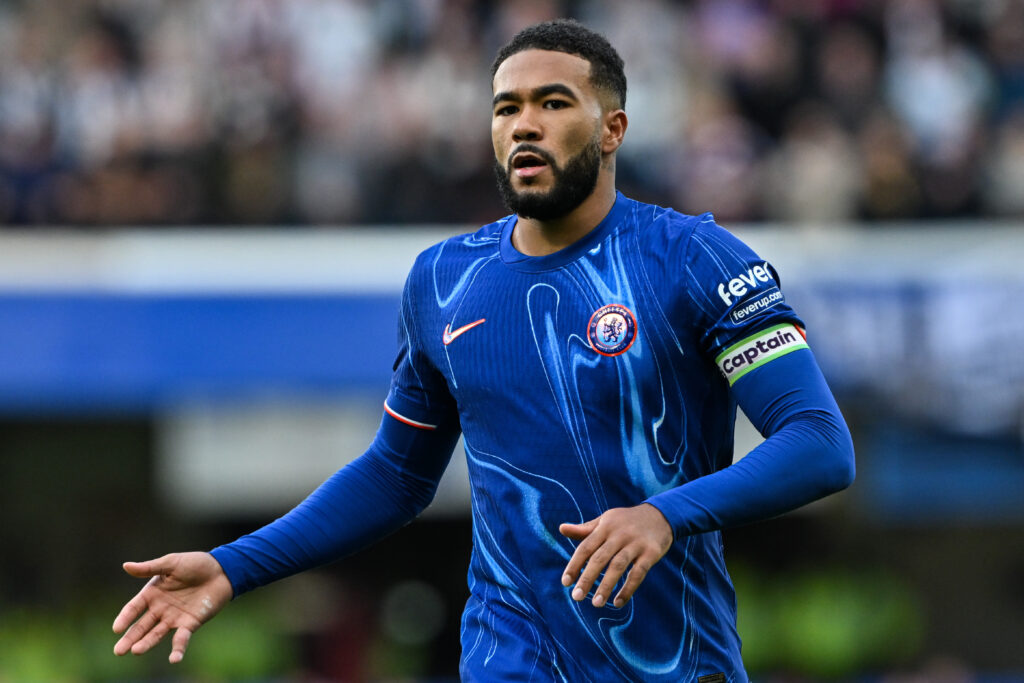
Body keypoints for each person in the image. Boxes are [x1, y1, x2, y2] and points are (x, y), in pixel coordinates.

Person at [112, 19, 854, 682]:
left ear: (613, 129)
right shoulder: (444, 280)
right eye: (507, 107)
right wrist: (232, 565)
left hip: (673, 660)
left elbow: (819, 443)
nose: (524, 124)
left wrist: (663, 515)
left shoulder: (695, 258)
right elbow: (396, 474)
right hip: (508, 658)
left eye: (553, 103)